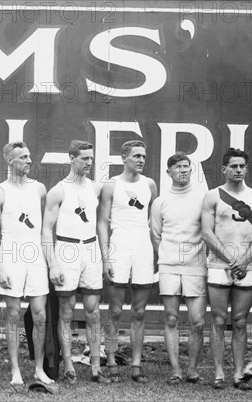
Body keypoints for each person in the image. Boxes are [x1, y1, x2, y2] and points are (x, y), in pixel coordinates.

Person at [42, 140, 110, 383]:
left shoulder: (95, 188)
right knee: (67, 312)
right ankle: (69, 366)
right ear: (71, 158)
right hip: (66, 249)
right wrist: (53, 264)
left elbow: (101, 224)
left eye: (91, 159)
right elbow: (46, 230)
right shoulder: (58, 190)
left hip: (90, 250)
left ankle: (95, 367)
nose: (89, 163)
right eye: (84, 159)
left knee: (93, 312)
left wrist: (105, 256)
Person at [0, 141, 54, 387]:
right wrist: (0, 266)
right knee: (13, 314)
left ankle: (38, 369)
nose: (28, 161)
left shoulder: (39, 189)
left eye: (29, 156)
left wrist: (51, 260)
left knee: (39, 314)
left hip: (35, 254)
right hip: (11, 255)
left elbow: (46, 228)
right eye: (22, 157)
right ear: (9, 161)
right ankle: (15, 370)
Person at [201, 148, 252, 390]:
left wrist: (245, 259)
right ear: (224, 169)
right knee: (218, 320)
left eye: (242, 166)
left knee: (240, 321)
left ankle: (238, 373)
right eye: (234, 166)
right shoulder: (212, 196)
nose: (238, 170)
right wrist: (230, 259)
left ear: (246, 169)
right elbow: (207, 233)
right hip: (219, 265)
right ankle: (219, 373)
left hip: (247, 266)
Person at [98, 140, 158, 383]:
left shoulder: (150, 185)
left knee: (140, 312)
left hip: (143, 249)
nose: (141, 160)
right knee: (114, 309)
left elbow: (154, 221)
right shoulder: (112, 184)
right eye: (136, 156)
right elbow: (102, 221)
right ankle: (110, 359)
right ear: (124, 158)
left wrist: (157, 251)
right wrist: (106, 257)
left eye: (144, 156)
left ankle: (136, 364)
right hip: (119, 248)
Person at [150, 153, 207, 385]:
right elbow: (156, 236)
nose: (183, 170)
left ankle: (192, 370)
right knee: (171, 318)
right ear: (169, 172)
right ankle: (175, 370)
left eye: (186, 167)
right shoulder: (160, 202)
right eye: (178, 167)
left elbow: (208, 232)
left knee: (198, 321)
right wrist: (169, 257)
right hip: (169, 267)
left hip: (196, 266)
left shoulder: (203, 198)